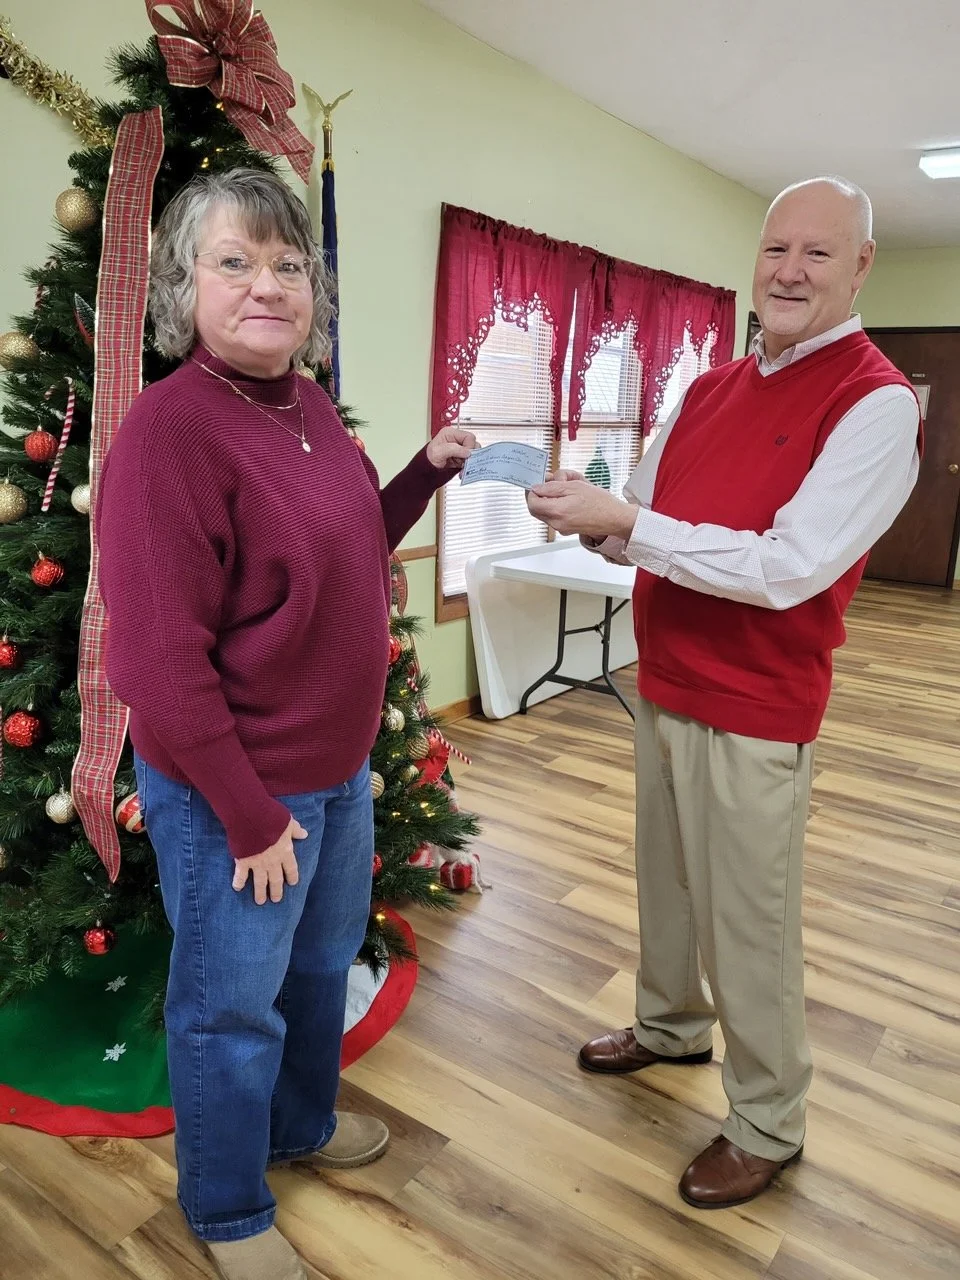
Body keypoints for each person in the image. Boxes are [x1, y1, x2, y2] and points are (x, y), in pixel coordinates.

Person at [98, 168, 475, 1280]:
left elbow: (351, 540)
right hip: (237, 795)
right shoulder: (169, 437)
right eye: (235, 261)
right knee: (228, 1009)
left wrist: (424, 472)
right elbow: (158, 667)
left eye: (289, 264)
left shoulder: (303, 403)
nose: (269, 285)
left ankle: (299, 1127)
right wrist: (254, 817)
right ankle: (225, 1208)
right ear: (184, 284)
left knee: (317, 972)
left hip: (338, 775)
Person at [526, 177, 921, 1210]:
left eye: (819, 254)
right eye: (776, 248)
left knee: (749, 922)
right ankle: (669, 1027)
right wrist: (595, 515)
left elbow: (789, 565)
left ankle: (767, 1118)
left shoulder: (877, 403)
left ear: (861, 267)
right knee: (669, 886)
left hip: (757, 706)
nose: (790, 270)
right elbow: (650, 519)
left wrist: (637, 523)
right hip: (664, 680)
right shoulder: (707, 388)